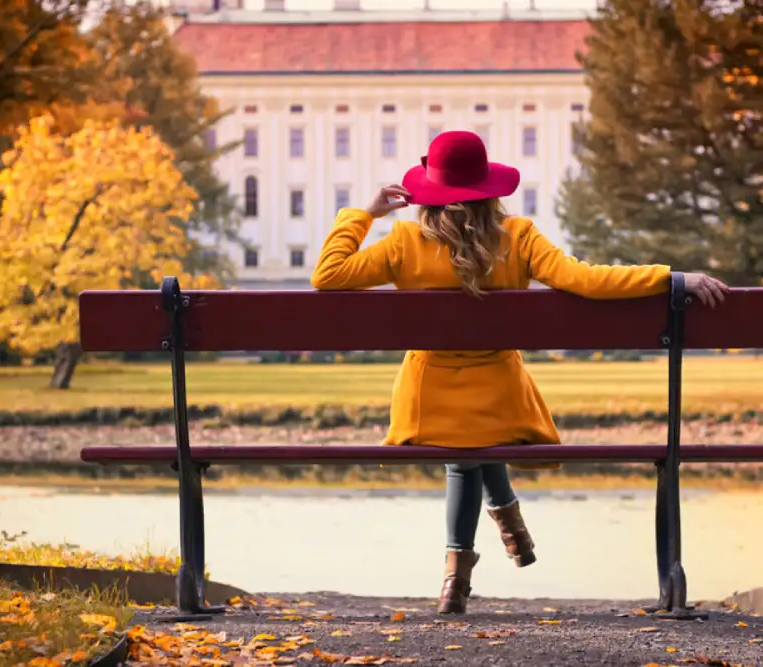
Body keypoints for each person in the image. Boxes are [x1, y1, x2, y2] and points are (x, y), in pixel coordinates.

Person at [311, 130, 729, 615]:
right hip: (503, 401)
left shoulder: (403, 241)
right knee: (477, 439)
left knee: (461, 453)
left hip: (427, 407)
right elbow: (587, 280)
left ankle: (455, 580)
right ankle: (506, 520)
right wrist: (669, 278)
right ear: (490, 189)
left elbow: (327, 274)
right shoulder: (519, 237)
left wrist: (364, 213)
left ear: (429, 190)